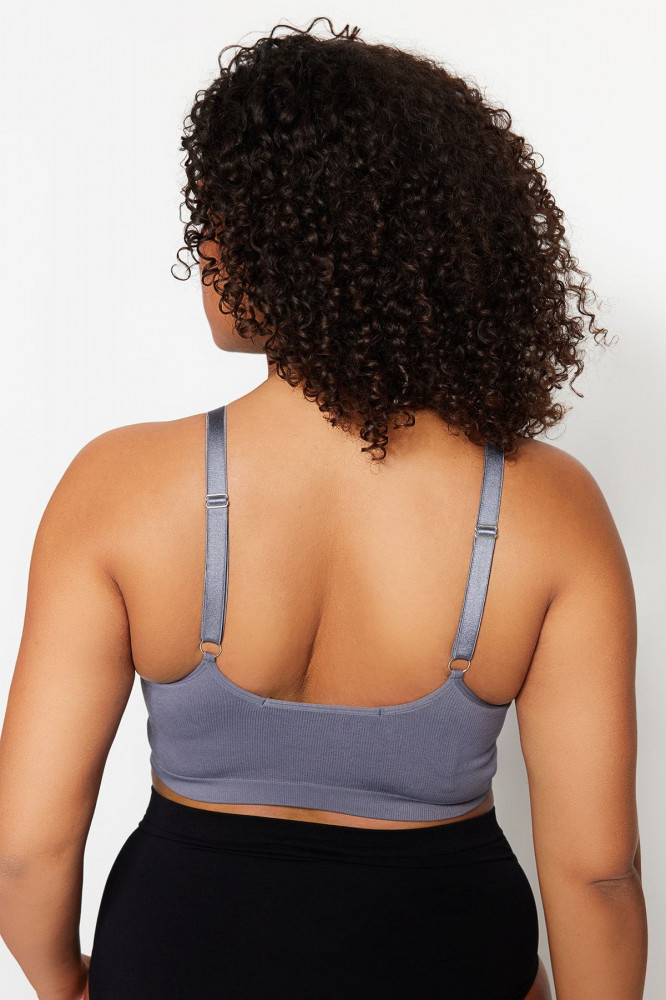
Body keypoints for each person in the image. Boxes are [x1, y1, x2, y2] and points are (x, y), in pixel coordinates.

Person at [0, 16, 647, 1000]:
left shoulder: (119, 486)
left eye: (224, 215)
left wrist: (65, 985)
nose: (206, 247)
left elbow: (25, 848)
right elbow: (598, 874)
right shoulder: (549, 507)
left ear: (298, 244)